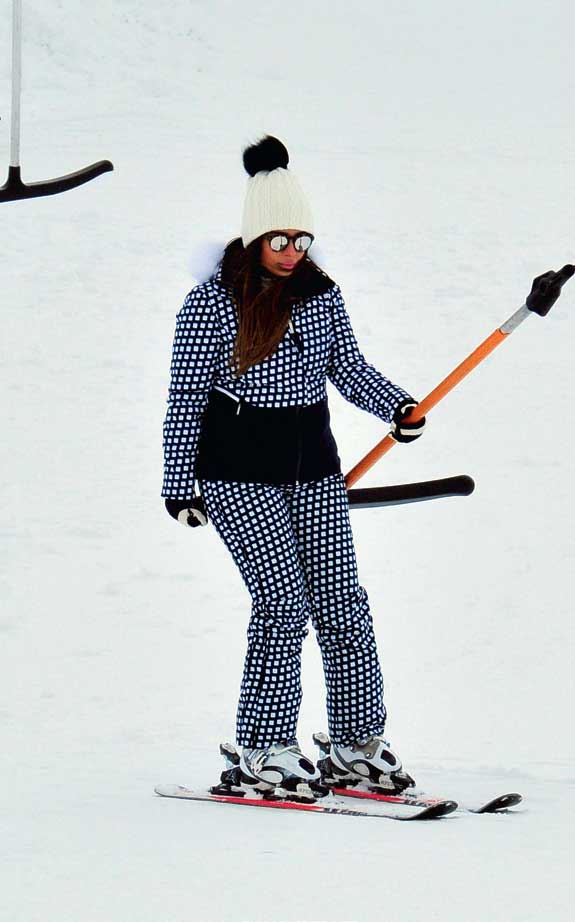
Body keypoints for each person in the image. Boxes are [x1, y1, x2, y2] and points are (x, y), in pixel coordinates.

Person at [161, 136, 425, 801]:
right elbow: (187, 397)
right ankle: (263, 748)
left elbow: (348, 370)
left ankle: (356, 746)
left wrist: (397, 406)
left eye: (302, 240)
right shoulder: (210, 303)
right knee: (283, 604)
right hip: (237, 474)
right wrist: (178, 484)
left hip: (313, 469)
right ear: (254, 238)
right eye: (279, 240)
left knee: (343, 604)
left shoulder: (322, 296)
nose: (291, 253)